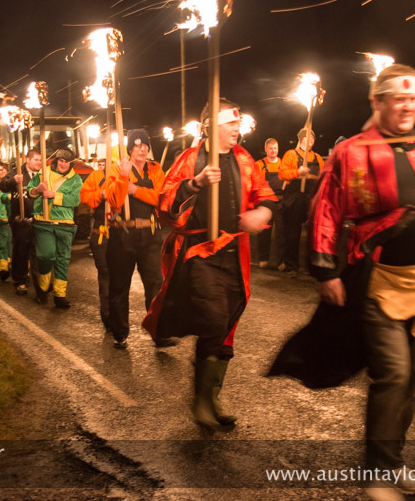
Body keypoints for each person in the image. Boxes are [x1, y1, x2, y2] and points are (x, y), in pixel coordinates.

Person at [307, 64, 415, 499]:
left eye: (413, 99)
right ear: (378, 102)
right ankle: (379, 473)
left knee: (412, 383)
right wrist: (326, 271)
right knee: (394, 374)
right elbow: (325, 209)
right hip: (379, 280)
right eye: (398, 99)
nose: (407, 106)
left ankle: (392, 459)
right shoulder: (350, 151)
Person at [142, 99, 277, 429]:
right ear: (211, 126)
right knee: (214, 318)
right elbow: (165, 205)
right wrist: (196, 183)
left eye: (238, 123)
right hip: (200, 252)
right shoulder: (189, 159)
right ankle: (201, 400)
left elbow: (267, 195)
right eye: (231, 123)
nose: (237, 129)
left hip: (235, 254)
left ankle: (212, 397)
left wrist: (262, 212)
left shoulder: (244, 159)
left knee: (228, 322)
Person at [103, 129, 166, 349]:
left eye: (145, 146)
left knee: (156, 284)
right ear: (130, 149)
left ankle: (159, 331)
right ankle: (119, 331)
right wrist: (122, 178)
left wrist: (135, 189)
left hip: (150, 234)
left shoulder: (155, 169)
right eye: (137, 146)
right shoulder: (116, 168)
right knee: (120, 285)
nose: (141, 149)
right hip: (123, 235)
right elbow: (113, 200)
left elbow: (161, 198)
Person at [27, 149, 83, 309]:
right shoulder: (43, 174)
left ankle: (60, 295)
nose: (63, 164)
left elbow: (75, 199)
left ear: (71, 164)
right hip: (43, 222)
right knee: (46, 255)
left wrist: (54, 196)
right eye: (61, 160)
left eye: (67, 162)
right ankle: (43, 286)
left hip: (65, 224)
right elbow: (30, 192)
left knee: (63, 260)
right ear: (56, 160)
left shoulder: (76, 179)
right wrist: (37, 190)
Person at [278, 128, 324, 276]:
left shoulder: (317, 158)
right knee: (292, 233)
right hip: (294, 198)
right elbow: (282, 174)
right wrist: (298, 172)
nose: (311, 140)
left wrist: (313, 178)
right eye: (308, 137)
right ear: (301, 139)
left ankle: (312, 266)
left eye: (313, 138)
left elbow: (323, 176)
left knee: (314, 233)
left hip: (311, 198)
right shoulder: (291, 154)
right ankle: (291, 265)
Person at [0, 149, 41, 295]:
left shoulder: (43, 175)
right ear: (28, 160)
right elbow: (3, 186)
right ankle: (20, 280)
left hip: (38, 219)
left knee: (38, 253)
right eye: (36, 160)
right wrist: (13, 181)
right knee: (21, 251)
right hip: (21, 220)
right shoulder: (17, 172)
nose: (39, 163)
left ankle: (40, 284)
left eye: (40, 160)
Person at [79, 157, 111, 329]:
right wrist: (100, 194)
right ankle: (107, 315)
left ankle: (118, 316)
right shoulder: (95, 176)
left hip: (120, 235)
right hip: (100, 233)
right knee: (105, 273)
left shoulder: (123, 176)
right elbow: (84, 196)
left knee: (119, 277)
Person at [254, 137, 284, 268]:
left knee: (281, 232)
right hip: (265, 201)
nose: (273, 151)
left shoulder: (283, 164)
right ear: (266, 149)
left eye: (275, 148)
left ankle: (281, 262)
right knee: (264, 232)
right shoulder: (259, 164)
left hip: (281, 201)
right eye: (271, 148)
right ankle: (263, 259)